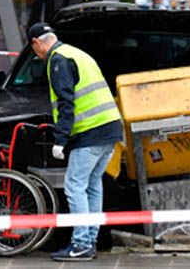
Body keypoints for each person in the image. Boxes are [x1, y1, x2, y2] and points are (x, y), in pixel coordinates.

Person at [28, 23, 123, 262]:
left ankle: (80, 243)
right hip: (109, 127)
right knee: (92, 185)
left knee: (74, 185)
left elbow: (66, 102)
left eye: (34, 49)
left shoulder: (58, 60)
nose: (36, 54)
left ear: (37, 42)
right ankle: (89, 241)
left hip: (90, 132)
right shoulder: (76, 53)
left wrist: (60, 140)